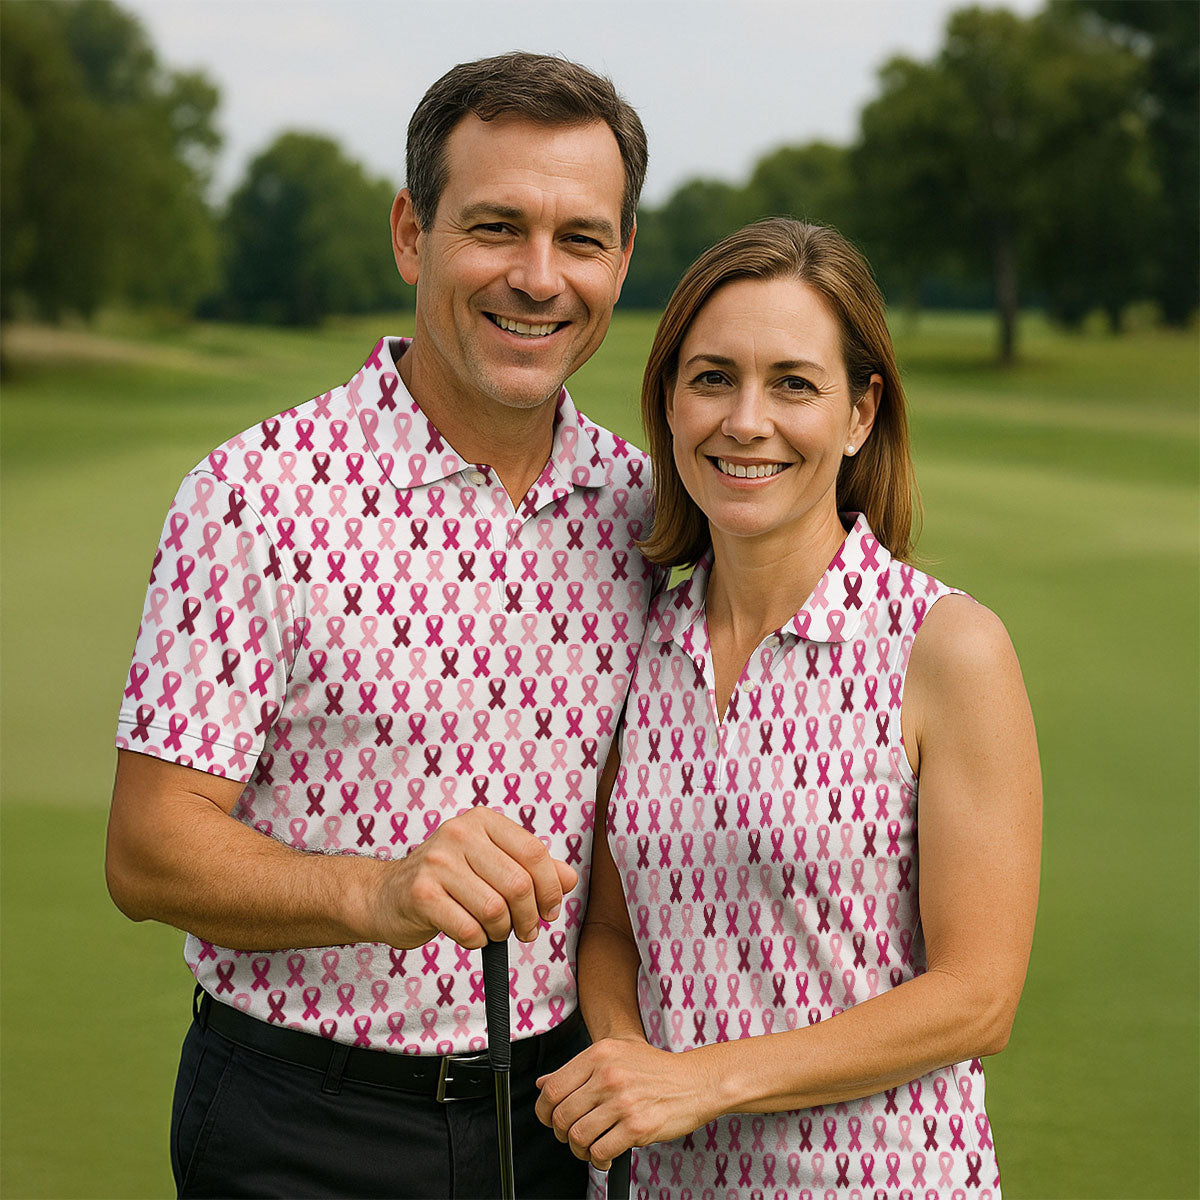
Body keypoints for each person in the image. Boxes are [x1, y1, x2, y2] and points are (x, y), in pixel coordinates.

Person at [106, 51, 658, 1199]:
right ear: (413, 234)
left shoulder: (649, 512)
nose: (539, 278)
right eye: (496, 227)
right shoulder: (254, 496)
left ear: (622, 259)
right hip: (302, 1123)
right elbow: (148, 848)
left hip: (560, 1118)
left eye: (581, 238)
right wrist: (374, 891)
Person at [535, 218, 1042, 1198]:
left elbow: (978, 997)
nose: (745, 420)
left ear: (861, 413)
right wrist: (627, 1062)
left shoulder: (946, 647)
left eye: (794, 384)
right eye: (713, 378)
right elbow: (609, 932)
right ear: (670, 401)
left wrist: (701, 1081)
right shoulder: (639, 642)